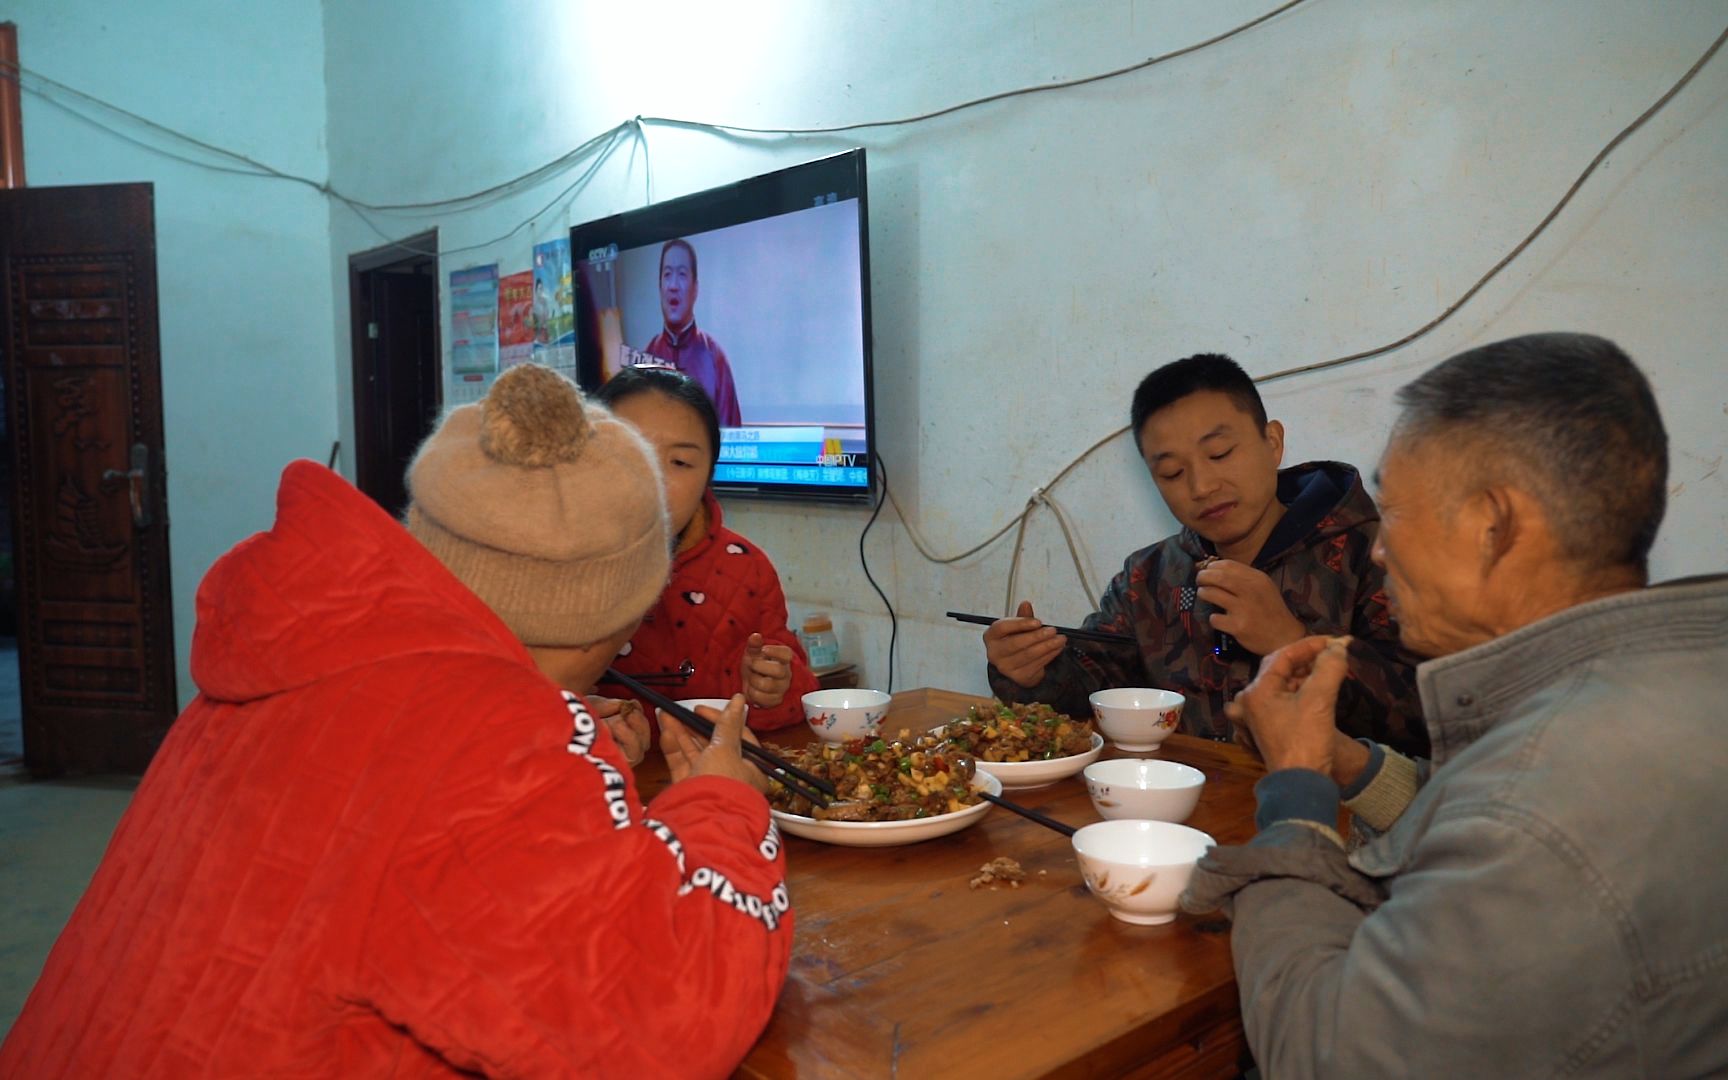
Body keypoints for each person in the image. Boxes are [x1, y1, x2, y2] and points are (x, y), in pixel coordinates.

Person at [0, 364, 794, 1077]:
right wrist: (723, 802)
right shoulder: (492, 746)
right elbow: (662, 1028)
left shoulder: (315, 648)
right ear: (606, 621)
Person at [1181, 333, 1728, 1076]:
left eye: (1398, 513)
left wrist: (1296, 795)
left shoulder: (1547, 801)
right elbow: (1478, 829)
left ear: (1493, 526)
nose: (1380, 549)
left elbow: (1328, 1058)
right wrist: (1346, 764)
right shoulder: (1665, 680)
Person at [983, 353, 1425, 755]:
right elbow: (1093, 689)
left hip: (1336, 824)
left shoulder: (1381, 555)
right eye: (1172, 472)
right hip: (1182, 814)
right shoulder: (1148, 577)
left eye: (1219, 453)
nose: (1201, 487)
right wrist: (1031, 674)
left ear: (1272, 442)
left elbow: (1431, 719)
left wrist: (1290, 641)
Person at [596, 365, 817, 732]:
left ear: (708, 475)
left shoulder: (746, 567)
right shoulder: (550, 568)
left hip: (721, 776)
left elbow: (800, 696)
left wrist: (773, 688)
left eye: (680, 462)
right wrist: (585, 722)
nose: (653, 478)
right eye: (629, 453)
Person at [641, 238, 743, 426]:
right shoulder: (647, 355)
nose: (673, 285)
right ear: (659, 286)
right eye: (667, 274)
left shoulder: (715, 358)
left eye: (681, 274)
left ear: (695, 288)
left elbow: (732, 437)